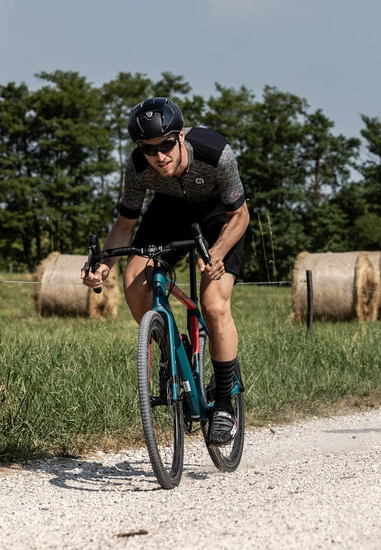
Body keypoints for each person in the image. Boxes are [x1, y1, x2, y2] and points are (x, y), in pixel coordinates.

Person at [82, 97, 249, 444]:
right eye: (149, 149)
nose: (159, 157)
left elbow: (241, 216)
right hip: (169, 213)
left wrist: (215, 253)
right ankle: (174, 349)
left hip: (220, 217)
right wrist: (104, 266)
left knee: (214, 303)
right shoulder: (137, 169)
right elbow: (125, 225)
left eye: (167, 145)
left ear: (181, 137)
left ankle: (222, 401)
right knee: (134, 284)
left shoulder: (216, 153)